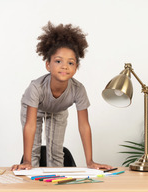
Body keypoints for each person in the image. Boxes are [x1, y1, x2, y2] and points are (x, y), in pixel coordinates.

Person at [11, 22, 112, 171]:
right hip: (34, 109)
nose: (64, 66)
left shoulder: (78, 89)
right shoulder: (36, 88)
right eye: (58, 61)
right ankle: (31, 180)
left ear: (76, 68)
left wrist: (90, 161)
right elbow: (30, 125)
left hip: (58, 110)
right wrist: (26, 161)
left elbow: (84, 126)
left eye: (70, 63)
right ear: (48, 65)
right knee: (33, 153)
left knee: (56, 152)